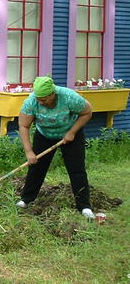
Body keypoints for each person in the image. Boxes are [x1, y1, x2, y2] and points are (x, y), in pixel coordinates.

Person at [16, 76, 95, 218]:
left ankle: (84, 206)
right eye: (38, 98)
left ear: (53, 93)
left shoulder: (68, 97)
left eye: (44, 99)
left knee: (76, 169)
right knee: (36, 167)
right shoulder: (31, 101)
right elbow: (23, 125)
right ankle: (26, 199)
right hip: (44, 135)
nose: (41, 102)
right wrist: (29, 151)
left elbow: (87, 112)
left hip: (70, 135)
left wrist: (71, 132)